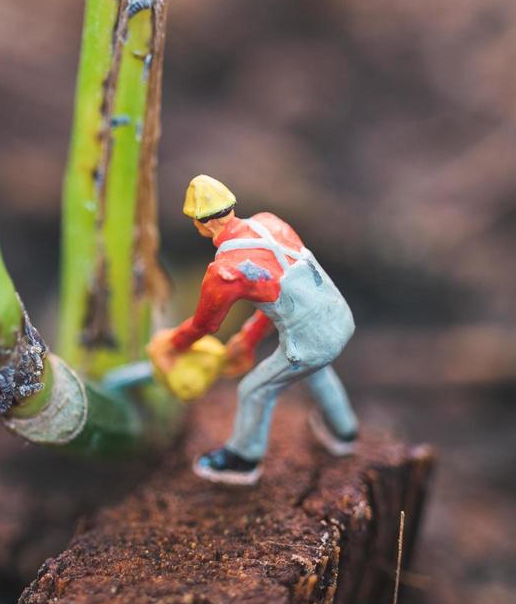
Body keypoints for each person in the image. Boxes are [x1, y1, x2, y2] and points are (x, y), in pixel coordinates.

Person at [148, 175, 359, 485]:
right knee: (318, 370)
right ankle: (345, 430)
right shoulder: (271, 223)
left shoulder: (226, 271)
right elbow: (282, 299)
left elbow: (205, 324)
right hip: (337, 317)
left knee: (254, 390)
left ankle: (243, 459)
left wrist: (174, 345)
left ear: (201, 224)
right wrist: (248, 338)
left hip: (310, 341)